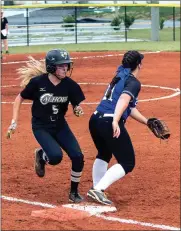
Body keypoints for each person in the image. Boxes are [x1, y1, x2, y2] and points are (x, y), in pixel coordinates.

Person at [7, 49, 85, 203]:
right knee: (55, 157)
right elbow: (19, 98)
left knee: (78, 157)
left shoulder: (70, 85)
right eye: (61, 66)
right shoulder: (38, 83)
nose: (65, 69)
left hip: (60, 125)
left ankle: (74, 192)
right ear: (51, 67)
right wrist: (14, 121)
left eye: (66, 66)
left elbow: (77, 104)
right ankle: (41, 155)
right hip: (41, 126)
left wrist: (77, 109)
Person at [87, 50, 148, 205]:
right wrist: (115, 120)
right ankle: (98, 190)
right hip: (109, 121)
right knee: (128, 162)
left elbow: (129, 107)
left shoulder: (120, 76)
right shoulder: (133, 82)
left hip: (96, 119)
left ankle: (97, 189)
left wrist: (147, 122)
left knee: (104, 153)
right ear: (139, 65)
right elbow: (123, 99)